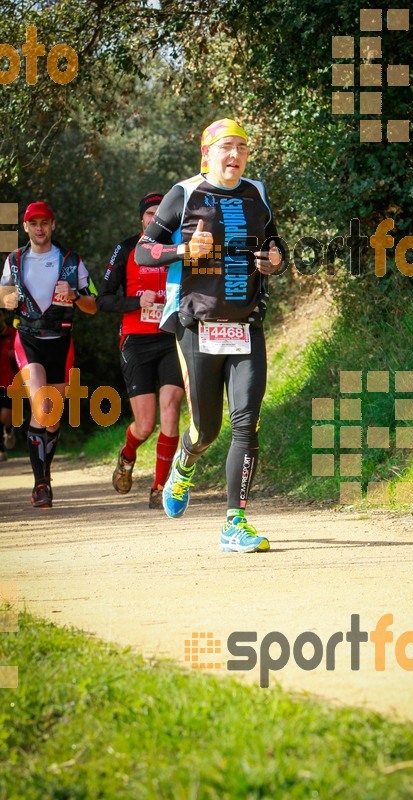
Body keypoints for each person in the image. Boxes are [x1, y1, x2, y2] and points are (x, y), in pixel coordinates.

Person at [135, 118, 284, 552]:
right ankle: (184, 463)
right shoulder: (183, 194)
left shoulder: (256, 193)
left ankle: (234, 523)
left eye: (241, 147)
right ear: (207, 154)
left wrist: (275, 260)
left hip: (246, 326)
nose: (235, 155)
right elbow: (146, 249)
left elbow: (275, 246)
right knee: (206, 430)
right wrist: (184, 249)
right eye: (226, 147)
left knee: (246, 424)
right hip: (196, 325)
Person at [0, 201, 97, 507]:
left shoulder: (71, 261)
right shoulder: (14, 260)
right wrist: (8, 300)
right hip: (28, 339)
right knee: (42, 406)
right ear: (25, 227)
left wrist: (76, 296)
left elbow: (93, 305)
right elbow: (4, 299)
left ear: (53, 225)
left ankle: (45, 474)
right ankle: (40, 484)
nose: (39, 228)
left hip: (61, 341)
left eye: (45, 223)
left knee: (51, 417)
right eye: (34, 223)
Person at [97, 193, 184, 509]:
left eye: (161, 214)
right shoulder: (125, 249)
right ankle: (128, 453)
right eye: (150, 214)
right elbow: (103, 299)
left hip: (172, 337)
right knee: (145, 425)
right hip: (136, 341)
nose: (155, 219)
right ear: (142, 219)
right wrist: (137, 302)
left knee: (171, 408)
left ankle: (160, 486)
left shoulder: (178, 248)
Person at [0, 308, 16, 460]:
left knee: (5, 416)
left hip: (9, 382)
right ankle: (1, 449)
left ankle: (9, 429)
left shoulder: (13, 334)